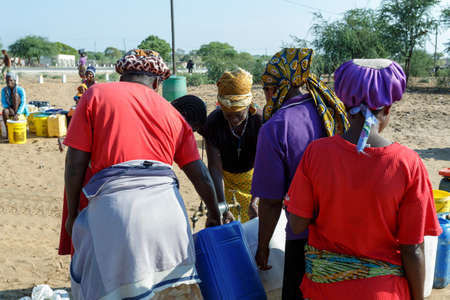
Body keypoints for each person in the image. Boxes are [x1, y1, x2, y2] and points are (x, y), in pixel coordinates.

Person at [61, 49, 221, 300]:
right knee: (169, 292)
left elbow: (74, 164)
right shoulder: (173, 114)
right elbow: (200, 174)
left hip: (117, 215)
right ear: (157, 82)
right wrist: (214, 212)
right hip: (171, 219)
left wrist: (72, 215)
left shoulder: (96, 95)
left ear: (123, 74)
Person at [286, 59, 442, 300]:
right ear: (388, 108)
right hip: (383, 293)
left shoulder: (315, 154)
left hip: (323, 292)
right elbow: (413, 248)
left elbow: (297, 225)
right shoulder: (408, 164)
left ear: (345, 105)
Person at [252, 48, 349, 300]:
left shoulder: (275, 127)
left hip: (303, 236)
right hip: (347, 231)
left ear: (272, 90)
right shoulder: (330, 110)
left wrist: (262, 247)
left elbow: (271, 201)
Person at [199, 68, 263, 223]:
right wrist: (223, 205)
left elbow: (265, 164)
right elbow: (214, 168)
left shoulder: (260, 121)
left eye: (238, 114)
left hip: (257, 181)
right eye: (228, 114)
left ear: (248, 106)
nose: (233, 120)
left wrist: (255, 201)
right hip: (226, 185)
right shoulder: (214, 123)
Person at [1, 72, 29, 137]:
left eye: (10, 80)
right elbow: (3, 102)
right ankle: (8, 131)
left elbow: (23, 103)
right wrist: (9, 108)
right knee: (4, 111)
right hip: (10, 108)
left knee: (15, 95)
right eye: (7, 80)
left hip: (19, 109)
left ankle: (16, 116)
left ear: (15, 81)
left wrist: (18, 113)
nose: (8, 82)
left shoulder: (20, 89)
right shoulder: (4, 90)